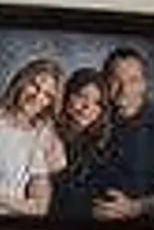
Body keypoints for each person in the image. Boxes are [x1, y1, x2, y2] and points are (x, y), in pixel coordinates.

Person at [83, 44, 154, 223]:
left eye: (133, 80)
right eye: (115, 80)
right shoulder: (95, 115)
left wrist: (135, 208)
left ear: (144, 84)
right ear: (104, 81)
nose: (124, 89)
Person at [0, 55, 65, 217]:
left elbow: (39, 208)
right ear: (21, 81)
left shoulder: (37, 137)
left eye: (47, 95)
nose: (37, 97)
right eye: (34, 86)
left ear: (50, 103)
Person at [50, 66, 118, 213]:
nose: (87, 107)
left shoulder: (104, 144)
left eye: (97, 102)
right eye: (82, 96)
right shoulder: (48, 133)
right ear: (67, 96)